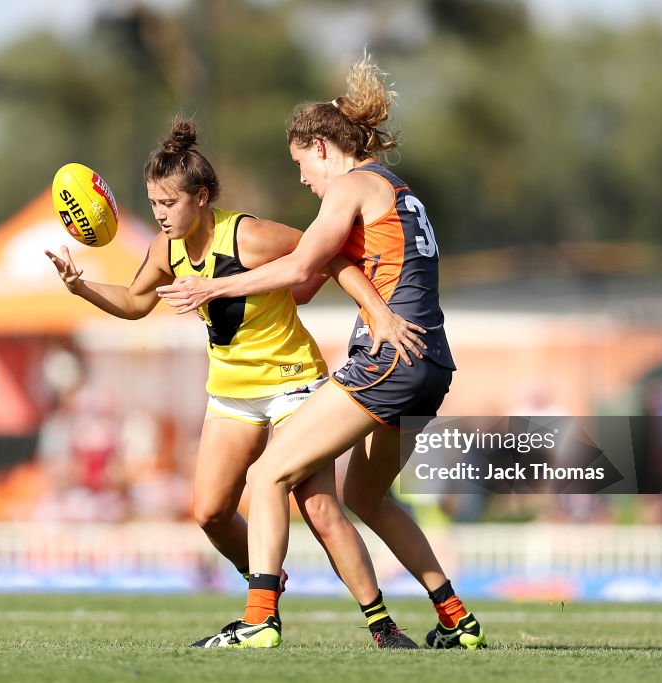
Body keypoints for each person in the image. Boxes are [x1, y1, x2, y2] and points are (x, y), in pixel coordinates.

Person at [45, 118, 425, 648]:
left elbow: (330, 257)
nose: (159, 214)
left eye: (168, 203)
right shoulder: (165, 248)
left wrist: (375, 310)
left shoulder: (249, 234)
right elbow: (135, 303)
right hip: (231, 393)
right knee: (211, 512)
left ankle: (381, 626)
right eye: (153, 202)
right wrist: (81, 287)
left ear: (201, 198)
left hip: (293, 382)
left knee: (318, 508)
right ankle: (268, 583)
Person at [158, 55, 487, 650]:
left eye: (301, 163)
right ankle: (456, 618)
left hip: (389, 357)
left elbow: (305, 264)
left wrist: (215, 286)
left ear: (320, 145)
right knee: (363, 496)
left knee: (269, 474)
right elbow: (309, 281)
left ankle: (259, 619)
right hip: (430, 361)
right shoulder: (395, 187)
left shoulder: (349, 185)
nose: (304, 179)